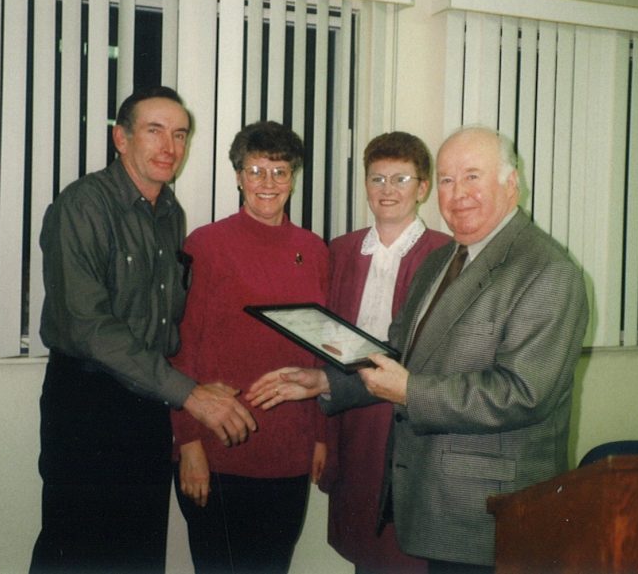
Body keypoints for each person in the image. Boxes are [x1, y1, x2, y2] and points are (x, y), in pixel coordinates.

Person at [248, 127, 589, 573]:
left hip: (492, 516)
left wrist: (410, 392)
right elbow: (397, 355)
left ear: (511, 183)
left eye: (472, 177)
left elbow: (522, 393)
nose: (458, 193)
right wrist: (324, 381)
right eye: (448, 179)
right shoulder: (443, 260)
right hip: (432, 501)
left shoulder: (547, 271)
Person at [30, 87, 257, 574]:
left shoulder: (169, 213)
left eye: (180, 134)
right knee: (78, 551)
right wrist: (190, 394)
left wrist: (199, 385)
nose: (169, 147)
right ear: (121, 138)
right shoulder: (83, 205)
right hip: (88, 403)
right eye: (154, 131)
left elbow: (168, 321)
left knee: (139, 549)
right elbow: (90, 327)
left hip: (149, 402)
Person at [170, 120, 329, 574]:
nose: (268, 183)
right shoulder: (206, 245)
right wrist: (188, 443)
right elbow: (182, 348)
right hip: (217, 446)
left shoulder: (314, 251)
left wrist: (321, 435)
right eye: (256, 170)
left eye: (280, 171)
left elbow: (322, 352)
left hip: (288, 451)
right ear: (238, 177)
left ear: (294, 178)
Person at [322, 132, 450, 574]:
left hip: (410, 419)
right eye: (377, 178)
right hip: (351, 415)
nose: (387, 190)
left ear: (423, 187)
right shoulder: (340, 251)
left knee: (407, 550)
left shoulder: (445, 253)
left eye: (401, 179)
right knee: (365, 545)